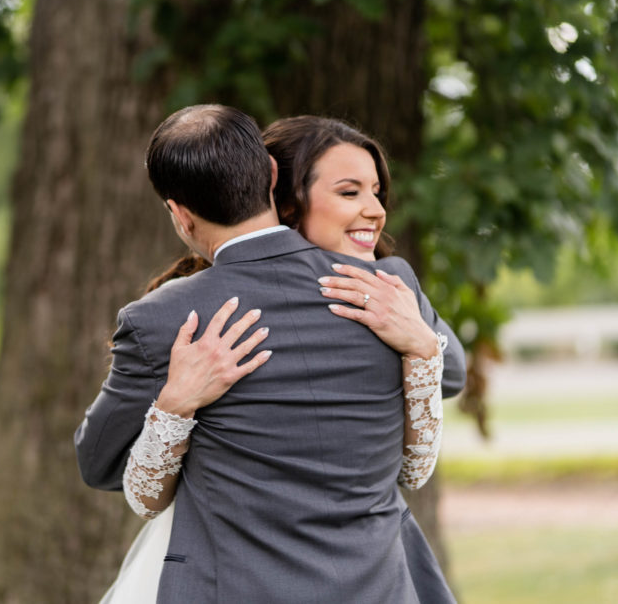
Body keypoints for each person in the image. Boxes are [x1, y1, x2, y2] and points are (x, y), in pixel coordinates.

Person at [75, 106, 462, 603]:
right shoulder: (389, 287)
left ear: (179, 213)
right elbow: (436, 410)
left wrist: (174, 408)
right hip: (379, 588)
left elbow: (98, 463)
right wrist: (426, 348)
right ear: (273, 176)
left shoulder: (163, 319)